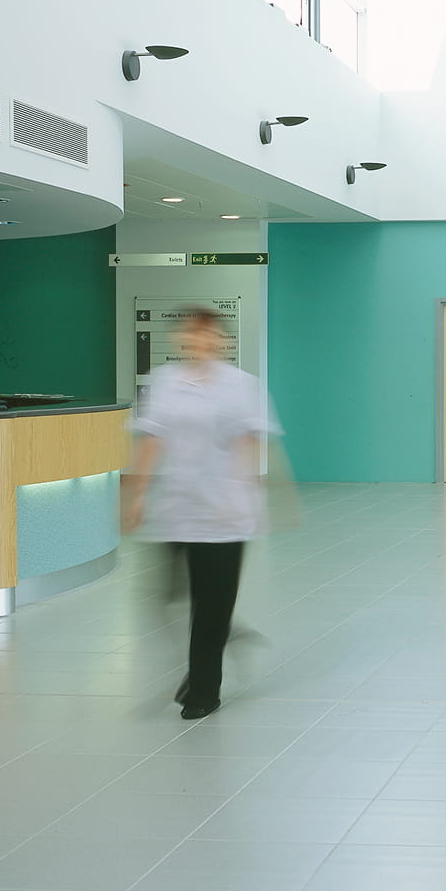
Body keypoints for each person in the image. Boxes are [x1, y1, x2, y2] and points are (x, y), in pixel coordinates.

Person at [121, 306, 280, 720]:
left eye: (207, 334)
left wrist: (238, 490)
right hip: (176, 506)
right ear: (182, 339)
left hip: (225, 512)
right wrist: (136, 492)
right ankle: (225, 637)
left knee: (211, 604)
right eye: (192, 333)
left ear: (220, 340)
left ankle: (203, 690)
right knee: (169, 597)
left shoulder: (241, 386)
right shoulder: (165, 382)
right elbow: (151, 440)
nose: (199, 340)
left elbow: (248, 443)